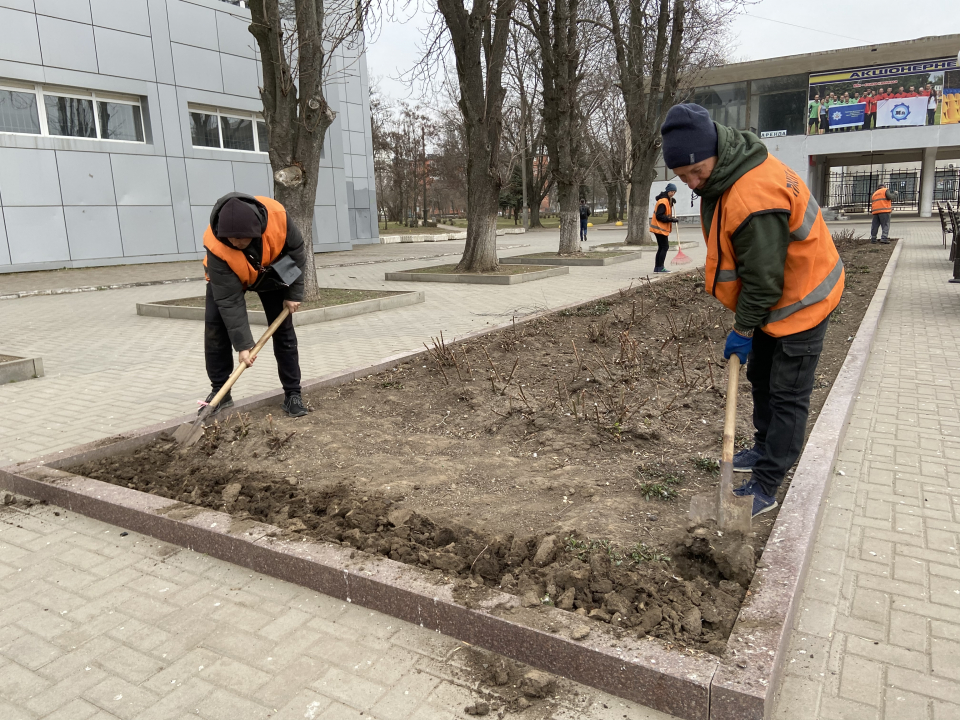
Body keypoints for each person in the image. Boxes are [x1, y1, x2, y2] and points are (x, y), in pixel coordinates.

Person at [659, 103, 844, 517]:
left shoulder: (752, 194)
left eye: (695, 172)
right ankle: (763, 447)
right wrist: (750, 326)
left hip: (805, 299)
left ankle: (767, 482)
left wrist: (744, 329)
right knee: (761, 375)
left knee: (787, 394)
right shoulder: (728, 171)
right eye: (682, 177)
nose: (691, 183)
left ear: (713, 150)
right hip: (776, 301)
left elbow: (763, 281)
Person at [202, 192, 309, 418]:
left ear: (257, 231)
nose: (236, 245)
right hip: (226, 278)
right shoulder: (215, 245)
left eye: (243, 241)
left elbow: (297, 252)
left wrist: (293, 293)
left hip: (270, 272)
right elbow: (230, 302)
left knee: (283, 331)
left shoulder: (278, 216)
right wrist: (243, 346)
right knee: (215, 330)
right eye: (231, 241)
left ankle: (293, 394)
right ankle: (220, 392)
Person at [648, 183, 679, 273]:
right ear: (668, 191)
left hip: (659, 228)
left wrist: (671, 203)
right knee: (665, 247)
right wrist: (671, 220)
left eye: (674, 192)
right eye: (671, 191)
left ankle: (657, 267)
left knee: (661, 247)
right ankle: (660, 267)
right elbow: (659, 216)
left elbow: (666, 211)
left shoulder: (666, 200)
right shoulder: (663, 202)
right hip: (659, 228)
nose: (673, 193)